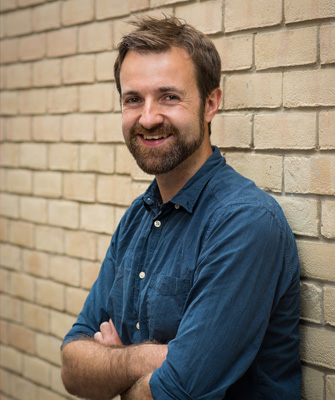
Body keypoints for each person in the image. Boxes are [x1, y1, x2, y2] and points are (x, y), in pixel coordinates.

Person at [61, 15, 301, 400]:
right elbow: (72, 366)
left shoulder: (245, 223)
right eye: (133, 99)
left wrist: (113, 366)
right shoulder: (137, 219)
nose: (149, 116)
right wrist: (148, 360)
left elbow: (174, 393)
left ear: (210, 104)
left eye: (169, 96)